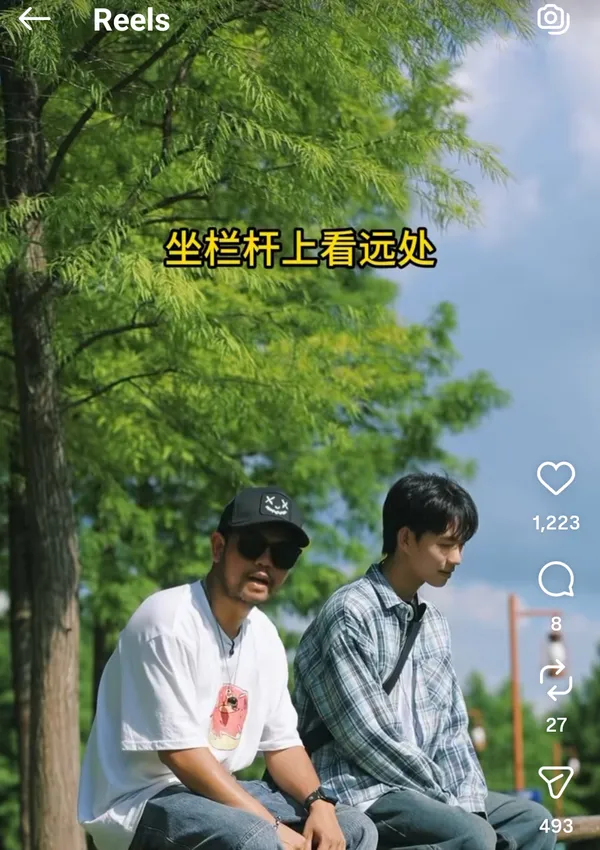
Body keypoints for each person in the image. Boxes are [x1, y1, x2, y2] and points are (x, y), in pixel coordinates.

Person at [78, 486, 378, 850]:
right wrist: (271, 825)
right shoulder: (166, 622)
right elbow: (181, 756)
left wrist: (320, 804)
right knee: (257, 839)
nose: (265, 562)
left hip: (215, 795)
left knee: (354, 827)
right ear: (218, 547)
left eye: (283, 554)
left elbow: (282, 745)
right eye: (251, 545)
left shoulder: (265, 635)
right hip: (140, 802)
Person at [292, 473, 556, 850]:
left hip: (425, 791)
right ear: (405, 539)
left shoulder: (433, 623)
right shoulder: (350, 613)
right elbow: (369, 738)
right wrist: (449, 802)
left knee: (534, 822)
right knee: (472, 835)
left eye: (461, 545)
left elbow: (452, 730)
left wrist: (470, 804)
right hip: (357, 789)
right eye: (446, 545)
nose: (457, 558)